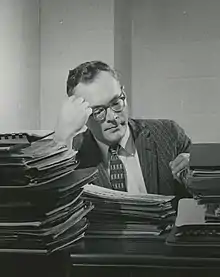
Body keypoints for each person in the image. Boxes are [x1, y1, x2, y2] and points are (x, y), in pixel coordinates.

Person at [54, 60, 191, 197]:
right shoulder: (73, 153)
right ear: (83, 114)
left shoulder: (169, 134)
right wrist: (62, 137)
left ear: (123, 93)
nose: (112, 117)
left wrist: (199, 174)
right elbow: (51, 204)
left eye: (116, 102)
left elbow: (203, 199)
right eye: (98, 111)